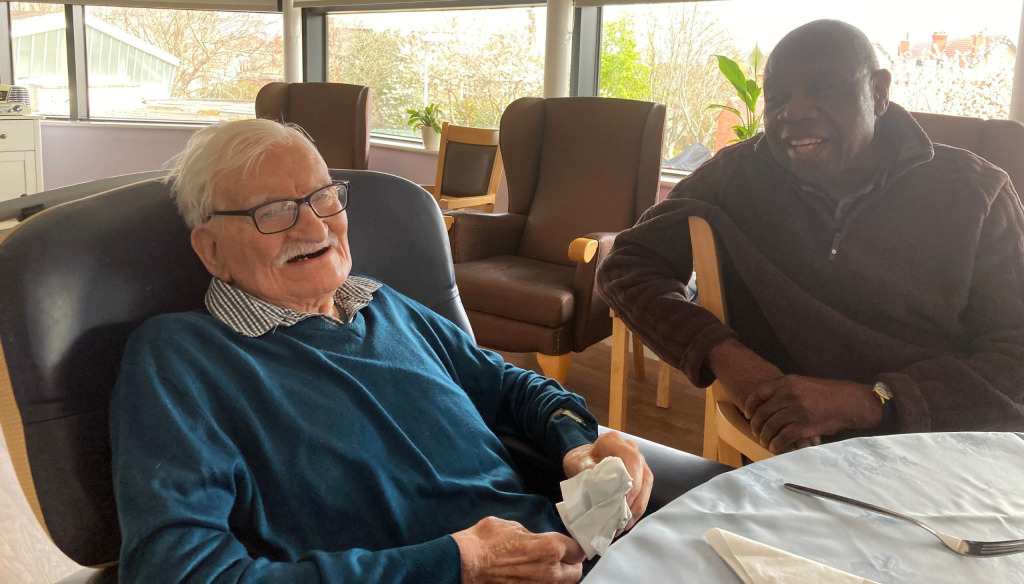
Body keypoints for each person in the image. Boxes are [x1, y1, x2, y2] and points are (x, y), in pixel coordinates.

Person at [109, 118, 653, 584]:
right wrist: (458, 563)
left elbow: (512, 386)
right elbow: (177, 570)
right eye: (273, 212)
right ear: (211, 250)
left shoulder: (383, 302)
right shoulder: (180, 358)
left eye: (323, 196)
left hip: (579, 555)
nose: (314, 224)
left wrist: (582, 442)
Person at [598, 19, 1024, 455]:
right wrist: (729, 359)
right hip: (794, 446)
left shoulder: (978, 193)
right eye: (777, 98)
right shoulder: (735, 176)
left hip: (949, 445)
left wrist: (871, 401)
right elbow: (625, 268)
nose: (794, 111)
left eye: (822, 89)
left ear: (878, 93)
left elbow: (1015, 357)